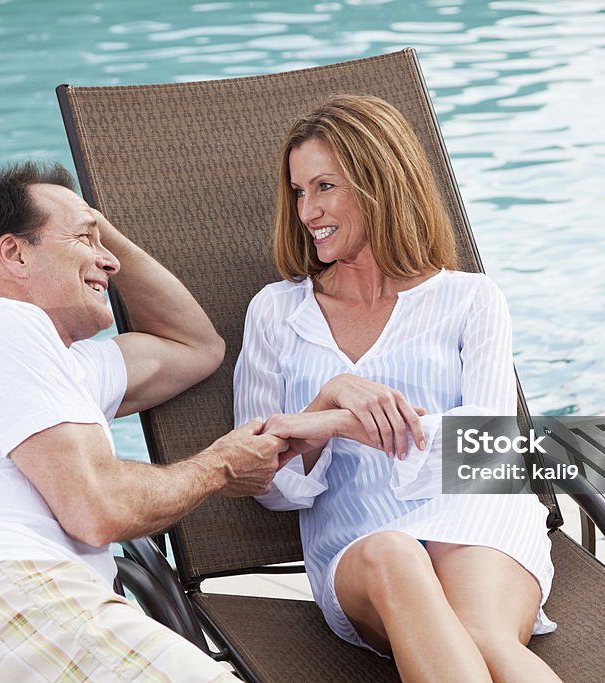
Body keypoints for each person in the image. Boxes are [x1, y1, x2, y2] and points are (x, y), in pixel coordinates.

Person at [0, 162, 287, 682]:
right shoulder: (5, 323)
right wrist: (222, 465)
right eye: (82, 237)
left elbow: (197, 347)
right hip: (4, 598)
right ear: (13, 252)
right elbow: (97, 508)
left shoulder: (68, 368)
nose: (110, 261)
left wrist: (95, 230)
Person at [234, 95, 562, 683]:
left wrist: (340, 423)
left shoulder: (470, 299)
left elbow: (490, 454)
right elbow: (264, 486)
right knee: (393, 552)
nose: (308, 211)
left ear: (380, 182)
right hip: (359, 544)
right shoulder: (276, 313)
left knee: (483, 637)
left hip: (476, 517)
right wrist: (321, 403)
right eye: (299, 192)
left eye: (325, 186)